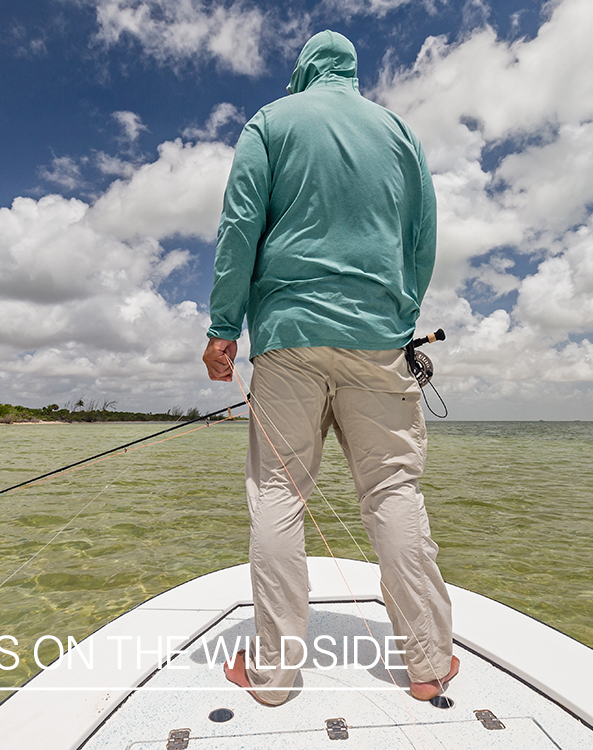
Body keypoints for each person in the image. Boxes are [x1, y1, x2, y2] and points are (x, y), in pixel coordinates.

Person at [202, 29, 457, 706]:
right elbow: (422, 235)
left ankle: (273, 673)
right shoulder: (398, 130)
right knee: (393, 495)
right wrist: (398, 315)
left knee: (279, 498)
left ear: (304, 71)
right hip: (380, 339)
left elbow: (238, 227)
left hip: (286, 340)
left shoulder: (271, 121)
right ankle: (428, 663)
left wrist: (224, 328)